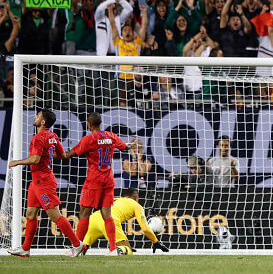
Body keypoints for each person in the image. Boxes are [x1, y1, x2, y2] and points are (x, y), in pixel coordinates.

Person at [7, 109, 84, 257]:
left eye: (39, 115)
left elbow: (35, 159)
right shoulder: (52, 136)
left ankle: (77, 244)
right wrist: (47, 154)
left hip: (43, 182)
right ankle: (25, 249)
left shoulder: (38, 138)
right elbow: (62, 155)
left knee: (54, 215)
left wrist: (17, 162)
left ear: (43, 122)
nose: (35, 117)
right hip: (37, 181)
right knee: (30, 213)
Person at [62, 112, 129, 255]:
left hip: (93, 181)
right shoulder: (111, 136)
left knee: (84, 213)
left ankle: (77, 247)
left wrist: (55, 154)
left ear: (89, 124)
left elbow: (70, 154)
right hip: (108, 181)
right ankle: (112, 249)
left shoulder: (88, 139)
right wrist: (130, 145)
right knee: (107, 215)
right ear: (100, 123)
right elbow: (124, 147)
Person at [77, 188, 168, 256]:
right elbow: (145, 228)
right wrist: (155, 242)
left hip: (93, 218)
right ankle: (120, 250)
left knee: (81, 250)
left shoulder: (116, 199)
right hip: (109, 220)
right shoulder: (136, 205)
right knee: (128, 251)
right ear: (136, 198)